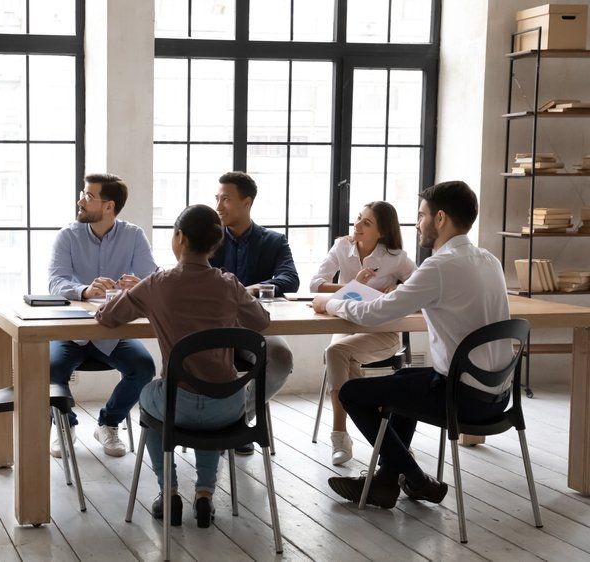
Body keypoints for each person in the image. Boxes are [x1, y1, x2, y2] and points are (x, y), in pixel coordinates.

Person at [312, 181, 512, 509]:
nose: (418, 224)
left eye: (421, 216)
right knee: (405, 383)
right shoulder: (488, 260)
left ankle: (415, 478)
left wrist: (330, 303)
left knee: (351, 393)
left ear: (441, 219)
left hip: (460, 398)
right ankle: (386, 482)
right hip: (497, 397)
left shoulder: (439, 266)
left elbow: (374, 314)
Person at [96, 204, 270, 528]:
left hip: (178, 405)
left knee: (150, 398)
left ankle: (170, 491)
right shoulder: (229, 284)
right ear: (215, 244)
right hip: (229, 407)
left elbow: (108, 317)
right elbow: (261, 321)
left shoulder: (158, 283)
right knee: (210, 398)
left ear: (179, 238)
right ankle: (204, 493)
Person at [48, 173, 157, 457]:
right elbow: (56, 283)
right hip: (71, 333)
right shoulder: (67, 236)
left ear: (109, 206)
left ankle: (108, 423)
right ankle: (65, 425)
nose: (80, 201)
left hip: (114, 332)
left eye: (88, 196)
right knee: (49, 369)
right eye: (83, 194)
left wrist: (141, 286)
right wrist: (84, 290)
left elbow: (153, 279)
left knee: (144, 369)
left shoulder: (133, 235)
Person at [309, 201, 416, 465]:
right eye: (358, 218)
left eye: (366, 223)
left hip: (383, 331)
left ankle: (347, 436)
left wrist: (395, 293)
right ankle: (380, 439)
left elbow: (418, 286)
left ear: (381, 232)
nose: (356, 225)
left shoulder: (395, 257)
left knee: (336, 353)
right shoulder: (342, 247)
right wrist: (353, 285)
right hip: (345, 326)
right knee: (339, 354)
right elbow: (314, 284)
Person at [209, 171, 296, 454]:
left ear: (247, 203)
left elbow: (290, 278)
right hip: (211, 328)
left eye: (226, 199)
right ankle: (221, 425)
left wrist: (256, 288)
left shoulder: (273, 241)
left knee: (281, 357)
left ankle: (235, 421)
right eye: (217, 198)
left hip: (253, 327)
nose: (219, 206)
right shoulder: (207, 238)